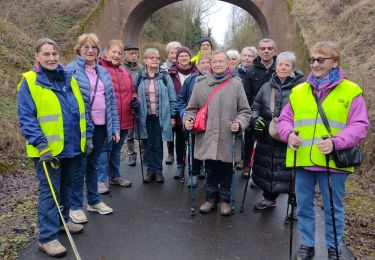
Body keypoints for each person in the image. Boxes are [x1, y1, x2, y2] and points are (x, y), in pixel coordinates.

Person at [277, 41, 369, 260]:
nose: (315, 64)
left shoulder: (351, 90)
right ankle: (307, 245)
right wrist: (288, 134)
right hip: (303, 161)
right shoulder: (299, 91)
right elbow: (284, 119)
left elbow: (360, 125)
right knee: (304, 207)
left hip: (333, 163)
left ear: (335, 62)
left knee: (333, 208)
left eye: (321, 59)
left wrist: (337, 141)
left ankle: (334, 247)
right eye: (312, 60)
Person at [17, 38, 90, 257]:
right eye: (46, 54)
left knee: (67, 188)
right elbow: (26, 117)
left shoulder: (69, 78)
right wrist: (40, 144)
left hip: (72, 147)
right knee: (50, 193)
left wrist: (87, 138)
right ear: (37, 57)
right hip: (47, 151)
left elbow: (80, 109)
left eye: (54, 53)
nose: (51, 58)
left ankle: (62, 222)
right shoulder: (29, 82)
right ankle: (47, 238)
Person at [183, 50, 251, 216]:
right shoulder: (200, 83)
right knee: (211, 168)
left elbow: (245, 111)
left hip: (228, 136)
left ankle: (225, 200)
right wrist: (188, 120)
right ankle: (211, 199)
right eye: (215, 62)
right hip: (207, 136)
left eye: (221, 61)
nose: (218, 64)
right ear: (211, 64)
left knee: (227, 170)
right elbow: (191, 109)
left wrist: (239, 124)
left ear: (228, 64)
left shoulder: (236, 84)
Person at [66, 33, 120, 223]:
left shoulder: (103, 71)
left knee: (94, 164)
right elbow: (67, 102)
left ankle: (94, 201)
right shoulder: (70, 70)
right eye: (86, 47)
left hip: (101, 125)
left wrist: (115, 128)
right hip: (80, 128)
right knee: (78, 166)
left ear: (98, 51)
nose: (90, 51)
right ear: (78, 49)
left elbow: (111, 101)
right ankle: (75, 206)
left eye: (94, 47)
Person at [250, 52, 305, 210]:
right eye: (280, 64)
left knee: (292, 171)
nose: (282, 67)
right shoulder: (266, 87)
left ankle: (295, 205)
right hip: (268, 135)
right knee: (268, 166)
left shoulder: (302, 88)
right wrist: (255, 119)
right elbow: (255, 108)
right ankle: (269, 198)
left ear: (293, 68)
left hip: (292, 136)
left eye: (287, 65)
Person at [97, 39, 140, 193]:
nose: (116, 55)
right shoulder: (99, 69)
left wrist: (135, 99)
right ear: (106, 52)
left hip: (125, 116)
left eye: (119, 53)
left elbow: (132, 91)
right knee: (103, 149)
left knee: (116, 149)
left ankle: (114, 176)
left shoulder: (124, 72)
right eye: (113, 52)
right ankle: (100, 180)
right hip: (107, 118)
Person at [134, 48, 177, 183]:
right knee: (147, 144)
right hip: (144, 116)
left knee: (158, 144)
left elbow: (172, 97)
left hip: (161, 116)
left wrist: (173, 116)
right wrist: (133, 101)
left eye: (157, 58)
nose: (155, 60)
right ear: (145, 60)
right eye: (151, 57)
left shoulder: (165, 76)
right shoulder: (140, 76)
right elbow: (132, 93)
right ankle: (149, 170)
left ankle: (158, 171)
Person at [242, 39, 277, 179]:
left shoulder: (279, 69)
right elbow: (246, 96)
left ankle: (266, 175)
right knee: (250, 143)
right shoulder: (251, 71)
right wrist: (250, 116)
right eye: (263, 48)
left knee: (269, 148)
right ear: (259, 50)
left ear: (274, 50)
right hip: (255, 114)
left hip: (273, 115)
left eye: (269, 48)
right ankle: (247, 165)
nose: (266, 51)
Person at [177, 54, 211, 186]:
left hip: (211, 121)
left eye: (208, 62)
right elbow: (181, 99)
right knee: (193, 148)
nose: (205, 65)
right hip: (194, 121)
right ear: (197, 65)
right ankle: (194, 173)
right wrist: (184, 113)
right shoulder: (190, 81)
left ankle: (209, 174)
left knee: (210, 148)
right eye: (202, 62)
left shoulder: (218, 80)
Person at [167, 47, 197, 177]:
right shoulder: (170, 73)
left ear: (190, 57)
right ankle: (180, 166)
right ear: (177, 58)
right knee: (179, 142)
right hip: (179, 112)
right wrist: (173, 115)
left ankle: (196, 167)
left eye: (186, 55)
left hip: (195, 114)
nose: (184, 58)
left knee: (195, 142)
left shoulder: (197, 72)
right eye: (181, 56)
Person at [123, 43, 143, 167]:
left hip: (138, 103)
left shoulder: (140, 69)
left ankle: (143, 153)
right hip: (126, 104)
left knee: (141, 130)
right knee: (129, 133)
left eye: (136, 53)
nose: (134, 56)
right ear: (125, 54)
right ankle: (131, 154)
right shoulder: (121, 68)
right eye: (131, 53)